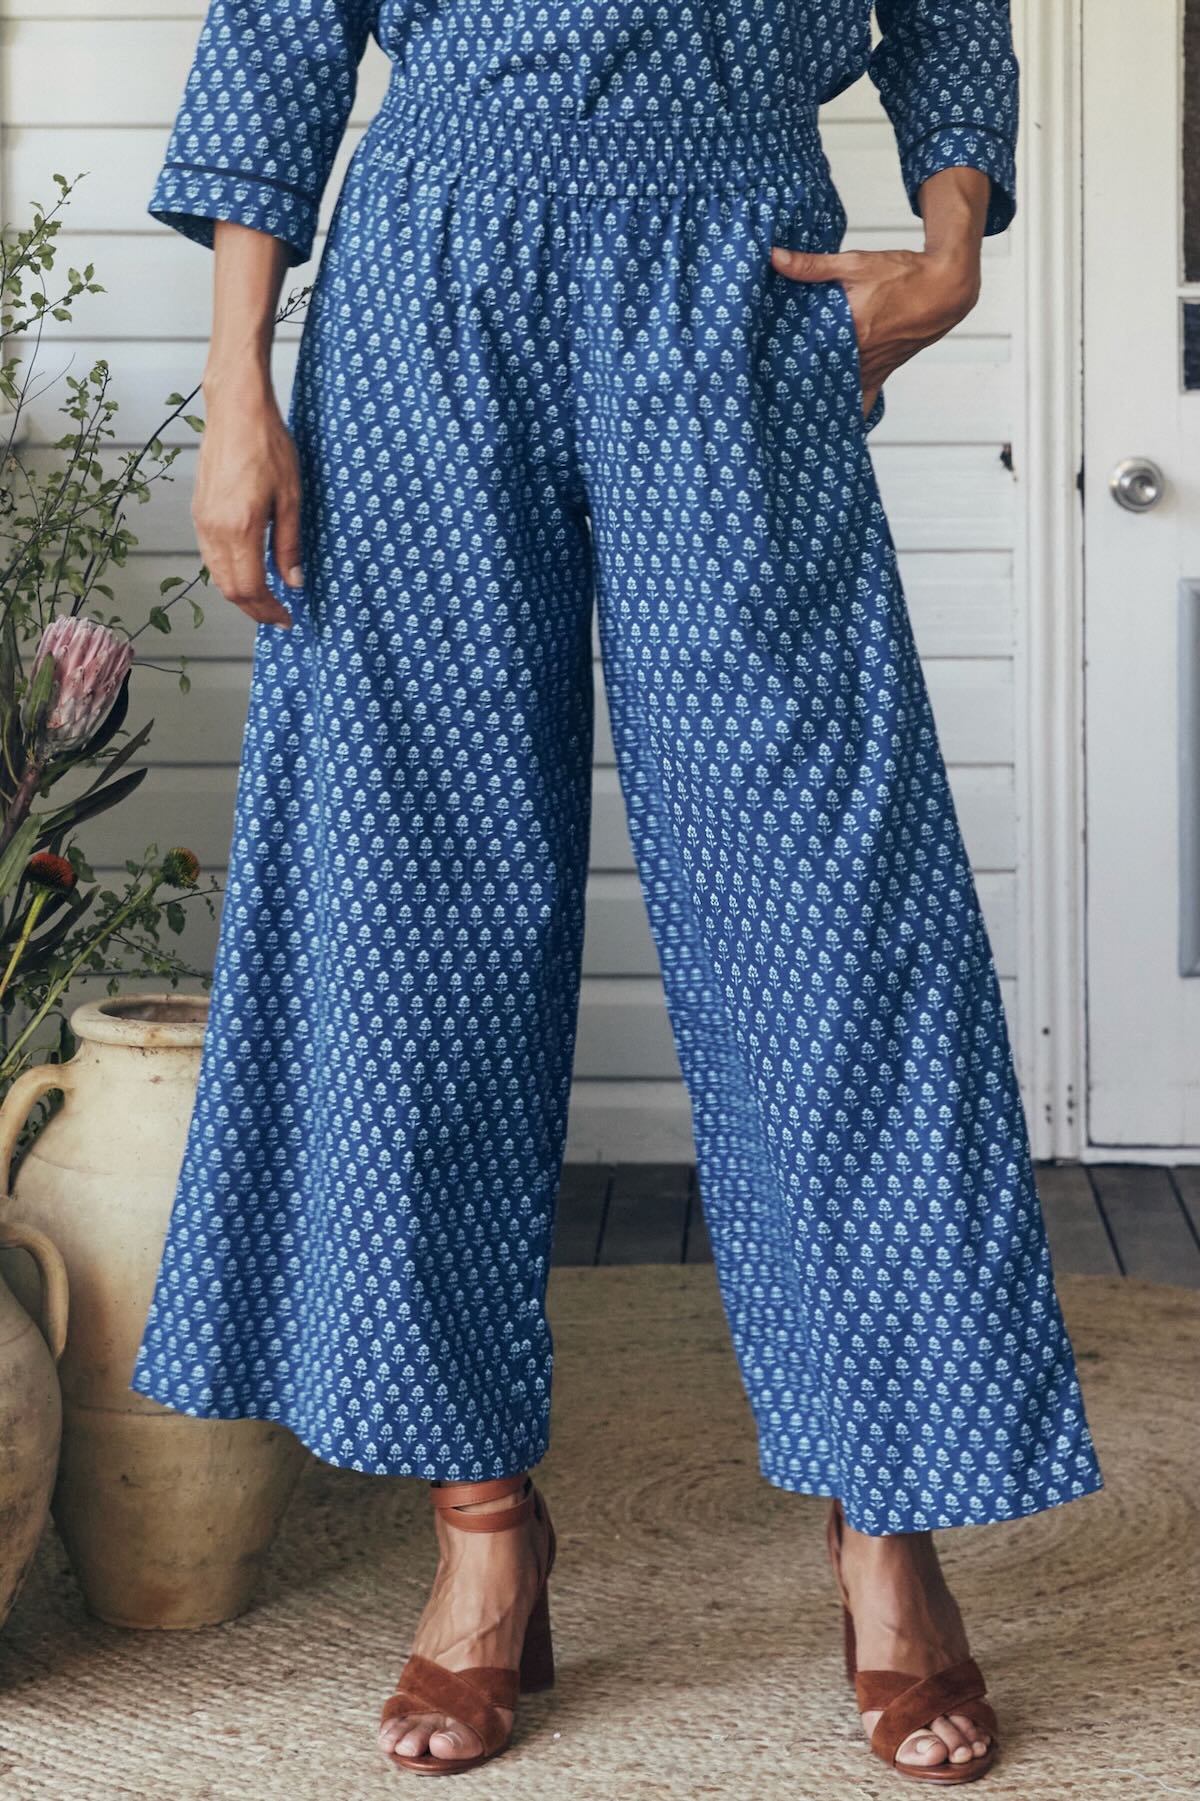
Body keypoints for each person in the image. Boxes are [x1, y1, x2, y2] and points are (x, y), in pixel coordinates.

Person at [134, 0, 1104, 1783]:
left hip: (740, 274)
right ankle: (483, 1528)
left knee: (829, 925)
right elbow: (281, 24)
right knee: (408, 919)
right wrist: (238, 387)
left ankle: (886, 1524)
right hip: (430, 279)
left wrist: (953, 241)